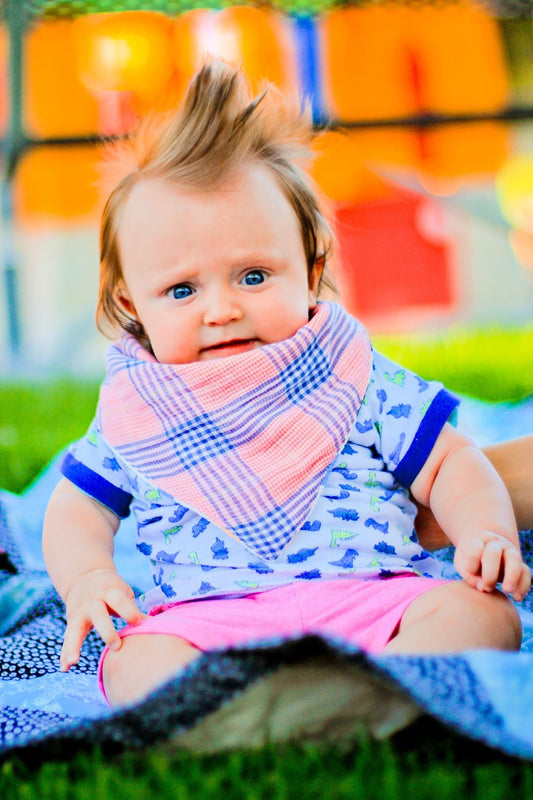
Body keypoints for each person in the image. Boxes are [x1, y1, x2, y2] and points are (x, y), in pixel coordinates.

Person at [43, 60, 531, 709]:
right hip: (210, 620)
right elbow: (79, 506)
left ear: (311, 267)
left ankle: (374, 685)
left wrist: (483, 530)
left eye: (252, 276)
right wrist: (86, 578)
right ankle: (247, 706)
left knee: (483, 615)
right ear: (132, 303)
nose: (220, 309)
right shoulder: (140, 406)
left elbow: (449, 463)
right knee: (136, 657)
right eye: (182, 290)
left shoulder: (348, 370)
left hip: (371, 598)